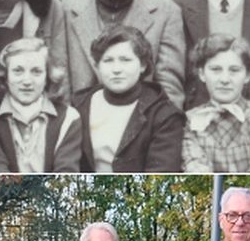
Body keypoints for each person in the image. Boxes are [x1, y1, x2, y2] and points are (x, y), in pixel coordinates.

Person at [74, 26, 185, 172]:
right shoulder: (79, 105)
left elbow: (160, 173)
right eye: (108, 60)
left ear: (143, 65)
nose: (116, 69)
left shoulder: (165, 116)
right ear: (97, 66)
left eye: (125, 60)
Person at [182, 34, 250, 172]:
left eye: (234, 70)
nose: (225, 79)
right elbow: (196, 171)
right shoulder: (189, 121)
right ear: (202, 74)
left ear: (247, 75)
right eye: (215, 70)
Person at [0, 37, 82, 172]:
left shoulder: (69, 118)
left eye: (36, 71)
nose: (27, 81)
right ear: (6, 76)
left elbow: (66, 172)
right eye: (18, 71)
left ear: (47, 76)